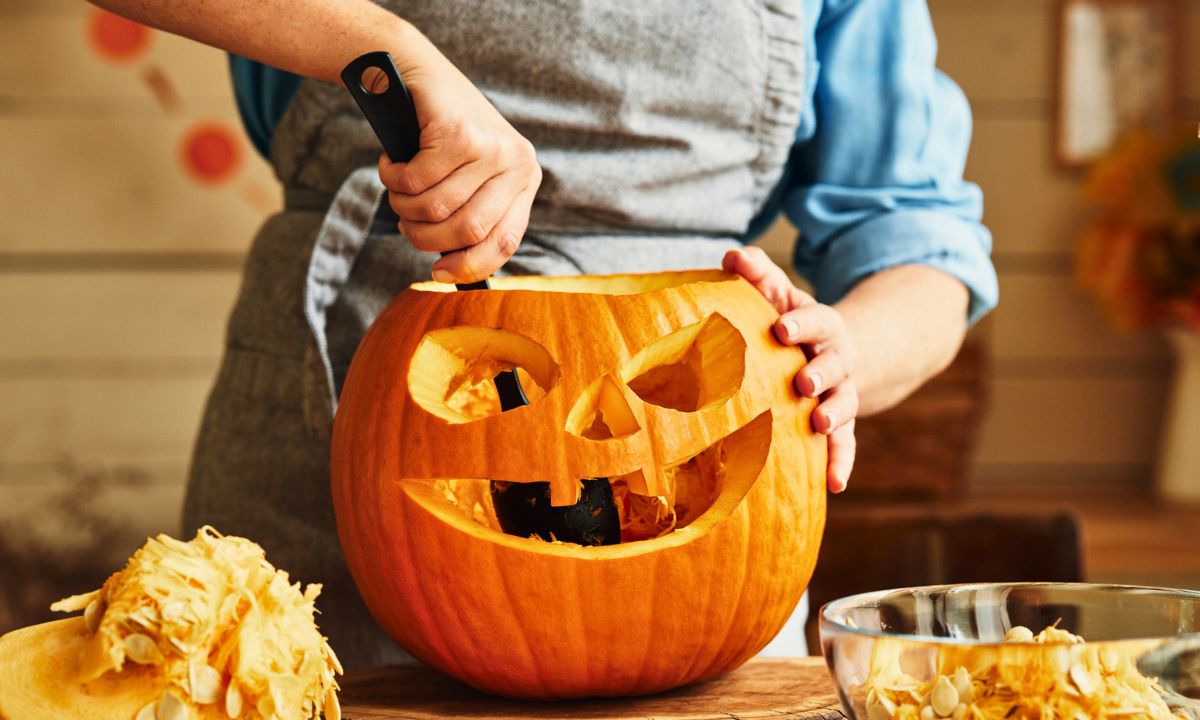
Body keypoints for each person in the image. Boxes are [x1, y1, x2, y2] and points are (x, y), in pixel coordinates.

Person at [88, 0, 997, 666]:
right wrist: (378, 47)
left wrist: (843, 356)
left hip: (705, 425)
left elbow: (922, 250)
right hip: (343, 413)